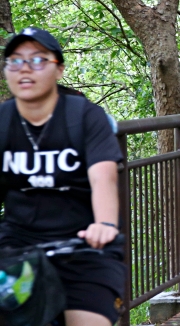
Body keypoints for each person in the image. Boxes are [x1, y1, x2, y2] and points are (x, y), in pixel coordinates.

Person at [0, 27, 125, 326]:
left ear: (59, 69)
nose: (25, 68)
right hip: (18, 248)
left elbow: (103, 177)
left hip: (85, 247)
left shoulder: (84, 116)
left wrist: (105, 224)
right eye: (15, 61)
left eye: (38, 59)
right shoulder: (3, 122)